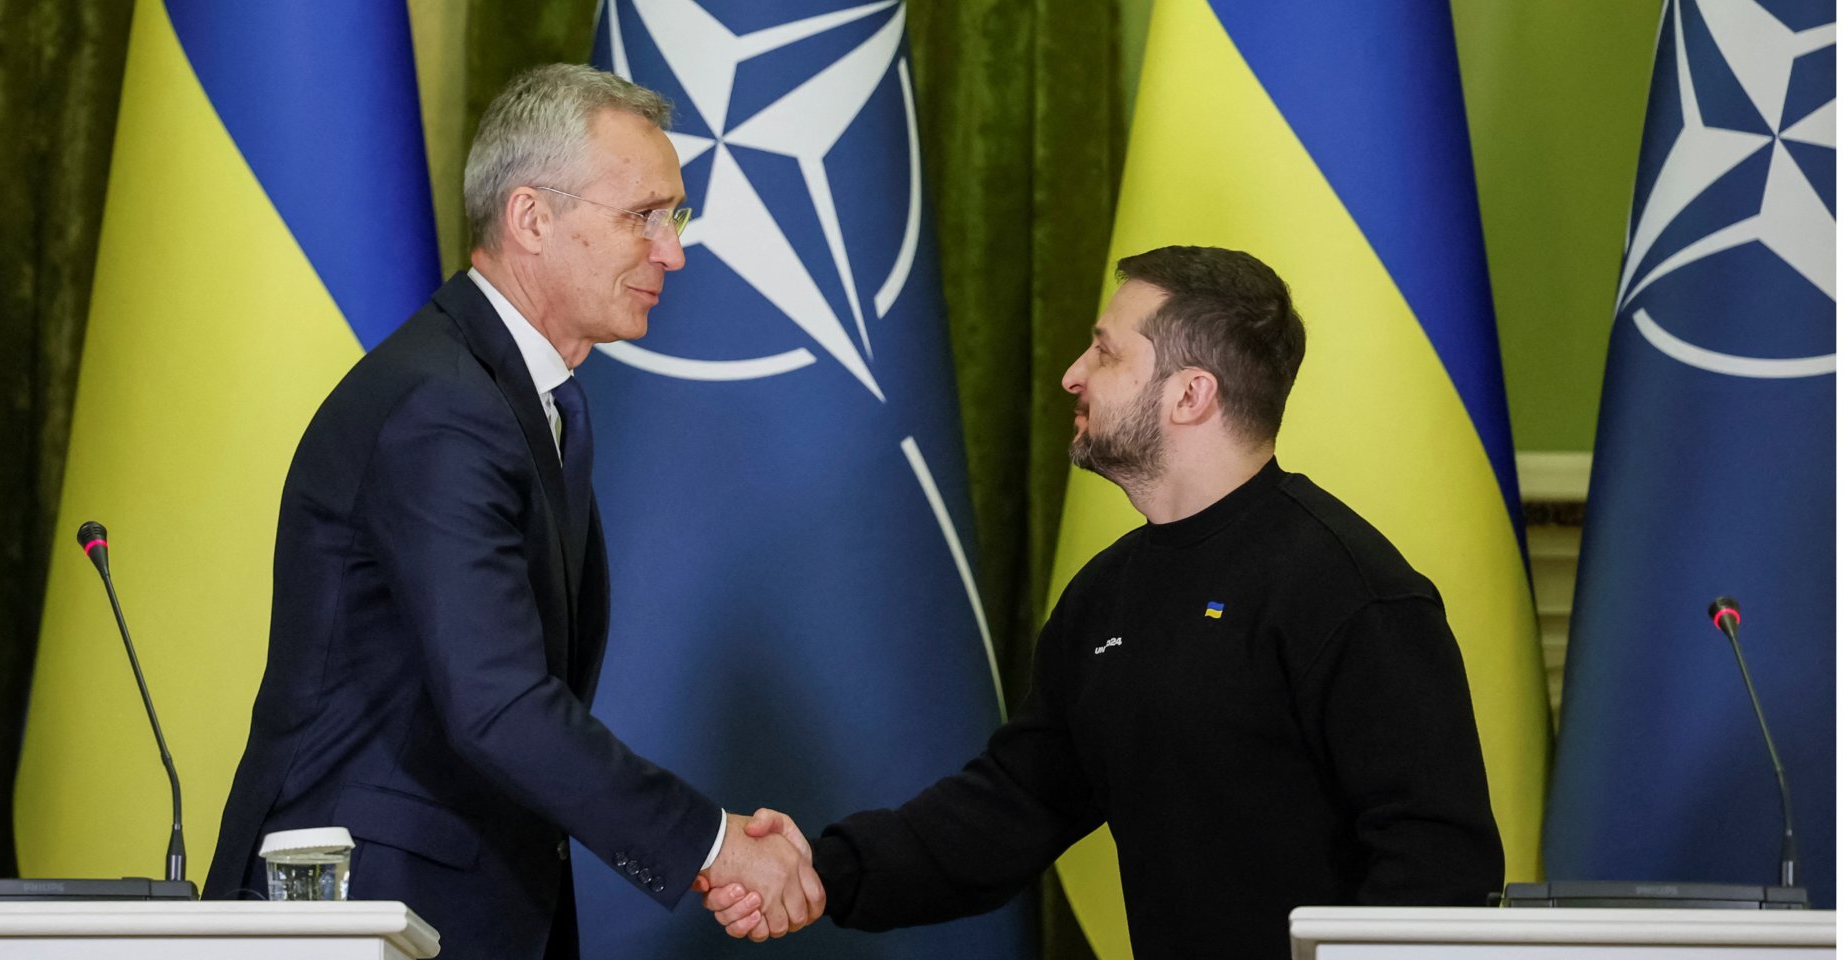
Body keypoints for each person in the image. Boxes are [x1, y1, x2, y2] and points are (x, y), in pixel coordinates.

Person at [702, 246, 1504, 957]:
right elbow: (1014, 805)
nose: (1072, 375)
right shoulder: (1107, 594)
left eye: (1105, 352)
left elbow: (1439, 864)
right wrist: (821, 871)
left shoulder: (1353, 592)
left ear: (1190, 395)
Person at [205, 64, 823, 959]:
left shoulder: (518, 399)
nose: (673, 252)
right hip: (363, 906)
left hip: (456, 904)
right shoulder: (441, 407)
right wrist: (712, 844)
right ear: (531, 218)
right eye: (643, 216)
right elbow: (497, 705)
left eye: (675, 218)